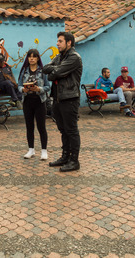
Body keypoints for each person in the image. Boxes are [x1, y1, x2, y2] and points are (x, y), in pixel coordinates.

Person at [43, 32, 82, 172]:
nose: (57, 43)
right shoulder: (60, 57)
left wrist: (56, 71)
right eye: (57, 41)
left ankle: (74, 161)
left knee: (71, 131)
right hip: (58, 99)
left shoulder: (74, 57)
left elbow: (55, 73)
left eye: (60, 41)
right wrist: (57, 70)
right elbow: (46, 69)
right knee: (63, 130)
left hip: (70, 98)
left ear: (69, 42)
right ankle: (65, 157)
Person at [18, 49, 51, 160]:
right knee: (29, 126)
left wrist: (39, 89)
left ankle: (44, 151)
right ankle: (31, 150)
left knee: (41, 127)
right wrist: (23, 89)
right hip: (27, 101)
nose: (31, 58)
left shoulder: (42, 71)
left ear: (37, 58)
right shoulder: (24, 71)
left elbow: (48, 86)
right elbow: (18, 85)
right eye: (29, 56)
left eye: (34, 56)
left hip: (39, 102)